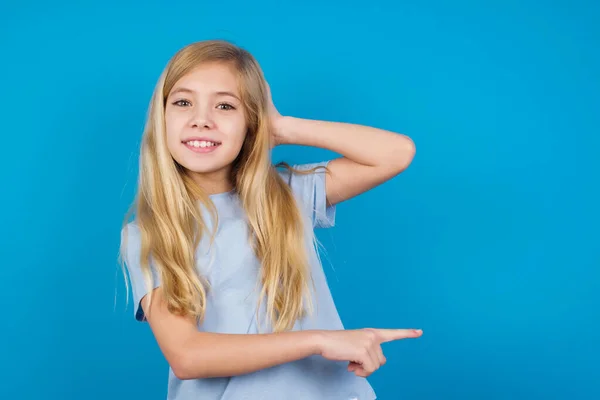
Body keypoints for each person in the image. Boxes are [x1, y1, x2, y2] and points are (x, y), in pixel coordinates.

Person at [120, 39, 421, 400]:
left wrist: (281, 127)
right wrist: (320, 340)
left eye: (226, 106)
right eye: (183, 102)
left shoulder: (289, 194)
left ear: (251, 122)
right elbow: (188, 355)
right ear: (162, 117)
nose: (202, 120)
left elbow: (395, 154)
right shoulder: (150, 233)